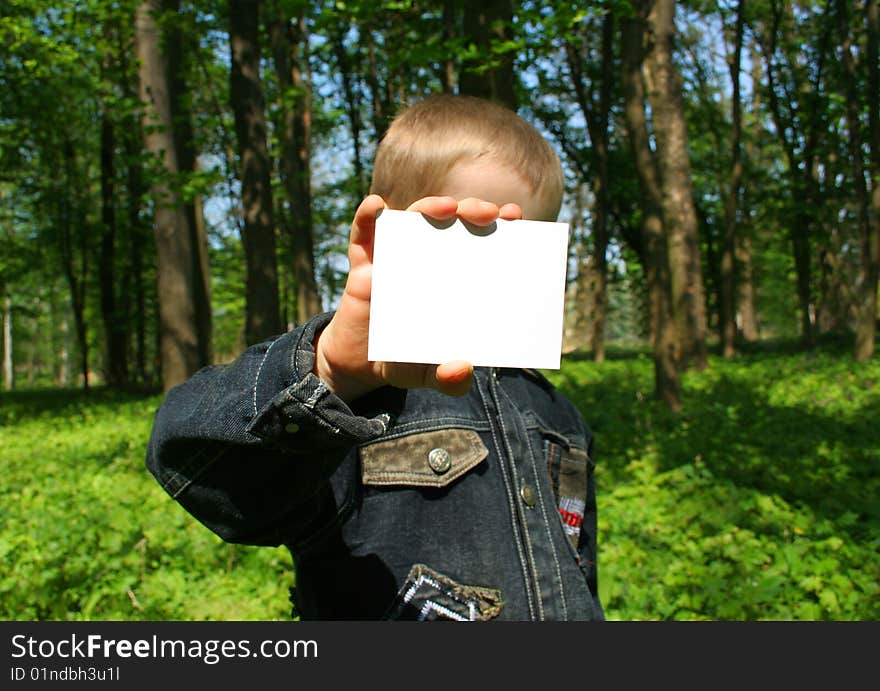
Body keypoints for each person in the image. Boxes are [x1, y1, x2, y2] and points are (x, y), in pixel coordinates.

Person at [146, 93, 602, 621]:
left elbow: (581, 576)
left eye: (521, 248)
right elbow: (197, 468)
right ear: (393, 234)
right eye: (467, 238)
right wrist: (331, 372)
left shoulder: (559, 416)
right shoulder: (352, 404)